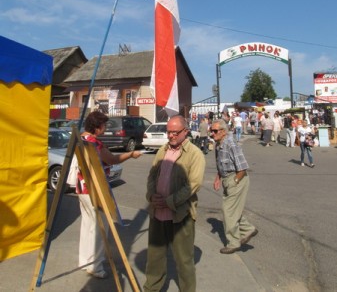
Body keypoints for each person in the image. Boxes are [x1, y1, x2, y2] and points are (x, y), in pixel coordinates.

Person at [143, 115, 206, 292]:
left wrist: (169, 201)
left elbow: (194, 184)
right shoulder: (162, 151)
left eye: (175, 132)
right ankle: (151, 289)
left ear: (185, 132)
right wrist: (151, 195)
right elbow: (152, 176)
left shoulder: (195, 154)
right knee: (155, 258)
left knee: (184, 261)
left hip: (181, 216)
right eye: (168, 132)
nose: (171, 136)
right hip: (157, 214)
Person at [77, 111, 142, 279]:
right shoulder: (94, 143)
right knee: (99, 229)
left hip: (82, 188)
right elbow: (113, 160)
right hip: (95, 189)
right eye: (104, 126)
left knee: (87, 226)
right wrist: (131, 154)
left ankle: (85, 261)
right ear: (97, 127)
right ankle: (95, 266)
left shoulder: (80, 139)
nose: (105, 129)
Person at [212, 119, 258, 254]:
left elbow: (243, 167)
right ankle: (248, 229)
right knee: (232, 210)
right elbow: (220, 164)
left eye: (215, 131)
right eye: (211, 131)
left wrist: (234, 181)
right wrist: (218, 178)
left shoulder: (231, 144)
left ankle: (233, 243)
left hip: (237, 178)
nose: (212, 134)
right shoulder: (218, 144)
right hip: (227, 178)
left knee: (228, 211)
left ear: (223, 132)